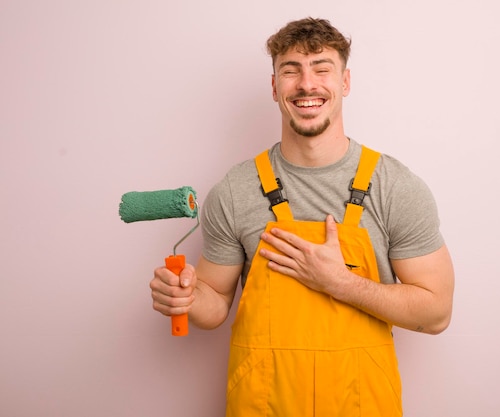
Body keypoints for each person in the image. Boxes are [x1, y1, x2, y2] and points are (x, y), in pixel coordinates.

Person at [150, 17, 454, 417]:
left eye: (322, 69)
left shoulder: (394, 186)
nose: (307, 84)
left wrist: (342, 284)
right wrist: (187, 296)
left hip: (360, 403)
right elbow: (216, 304)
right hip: (263, 404)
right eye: (290, 70)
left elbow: (436, 314)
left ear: (344, 82)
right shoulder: (236, 189)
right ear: (275, 87)